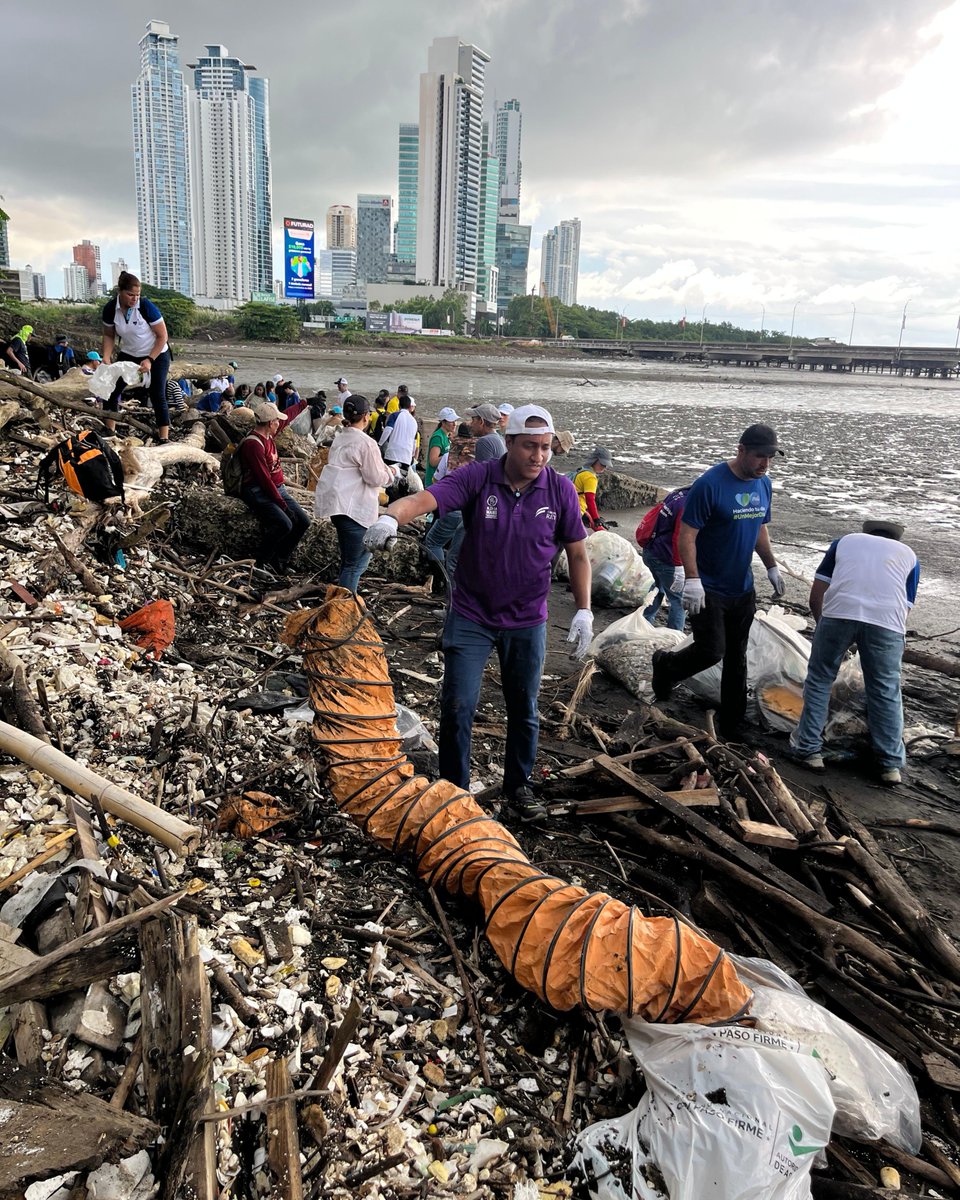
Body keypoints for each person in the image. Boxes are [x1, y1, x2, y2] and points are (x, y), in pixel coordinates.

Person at [364, 404, 593, 820]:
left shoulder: (559, 490)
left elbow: (578, 554)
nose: (538, 457)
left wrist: (584, 611)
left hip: (527, 620)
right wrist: (390, 517)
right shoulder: (478, 477)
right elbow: (427, 497)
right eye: (529, 447)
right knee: (458, 705)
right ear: (509, 444)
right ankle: (455, 791)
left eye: (545, 448)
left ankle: (519, 788)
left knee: (524, 708)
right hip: (472, 615)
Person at [651, 423, 787, 741]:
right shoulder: (710, 484)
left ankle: (732, 723)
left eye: (770, 457)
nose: (765, 464)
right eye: (759, 456)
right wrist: (693, 579)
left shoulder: (763, 484)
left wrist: (771, 566)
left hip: (742, 586)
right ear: (741, 451)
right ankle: (666, 665)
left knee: (737, 657)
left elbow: (759, 528)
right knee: (712, 650)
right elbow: (687, 535)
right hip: (709, 585)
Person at [789, 519, 919, 786]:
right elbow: (904, 608)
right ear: (896, 540)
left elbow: (817, 595)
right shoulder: (909, 556)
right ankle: (890, 765)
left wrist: (825, 626)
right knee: (885, 689)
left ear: (867, 533)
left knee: (820, 679)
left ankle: (809, 750)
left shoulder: (844, 542)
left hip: (839, 614)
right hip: (887, 623)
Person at [313, 394, 400, 592]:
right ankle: (345, 607)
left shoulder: (341, 437)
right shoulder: (366, 443)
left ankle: (342, 600)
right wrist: (391, 473)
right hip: (353, 510)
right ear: (366, 416)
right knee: (355, 565)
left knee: (350, 561)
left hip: (338, 506)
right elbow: (374, 477)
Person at [238, 402, 311, 574]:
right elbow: (264, 480)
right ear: (270, 423)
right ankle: (260, 562)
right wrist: (283, 506)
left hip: (277, 489)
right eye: (277, 421)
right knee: (284, 523)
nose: (280, 423)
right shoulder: (254, 444)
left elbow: (287, 418)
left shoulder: (269, 435)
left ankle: (280, 560)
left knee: (303, 522)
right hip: (257, 491)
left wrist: (304, 404)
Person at [101, 271, 172, 444]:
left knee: (157, 394)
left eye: (137, 295)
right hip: (130, 352)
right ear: (120, 292)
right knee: (110, 389)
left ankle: (164, 437)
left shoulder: (145, 306)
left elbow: (163, 336)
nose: (134, 299)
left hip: (157, 352)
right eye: (130, 295)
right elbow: (109, 335)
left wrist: (150, 360)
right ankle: (109, 430)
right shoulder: (111, 309)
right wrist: (106, 357)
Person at [641, 486, 690, 632]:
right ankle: (674, 636)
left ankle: (644, 623)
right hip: (665, 556)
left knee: (658, 586)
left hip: (651, 549)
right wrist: (679, 566)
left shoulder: (677, 494)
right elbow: (679, 537)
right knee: (679, 600)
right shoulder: (688, 505)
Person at [573, 448, 613, 531]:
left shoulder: (581, 471)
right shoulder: (590, 477)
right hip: (576, 511)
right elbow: (590, 500)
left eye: (606, 465)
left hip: (570, 507)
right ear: (595, 461)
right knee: (580, 541)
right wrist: (596, 518)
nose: (604, 467)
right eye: (602, 464)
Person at [380, 394, 419, 466]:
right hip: (406, 458)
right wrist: (412, 454)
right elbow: (414, 441)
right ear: (409, 406)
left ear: (399, 405)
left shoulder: (394, 415)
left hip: (392, 455)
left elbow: (388, 430)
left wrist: (380, 444)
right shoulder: (414, 421)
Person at [425, 406, 459, 485]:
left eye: (456, 420)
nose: (455, 424)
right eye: (451, 421)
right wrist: (450, 454)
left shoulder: (448, 436)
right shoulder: (438, 437)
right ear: (443, 422)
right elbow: (433, 461)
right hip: (434, 482)